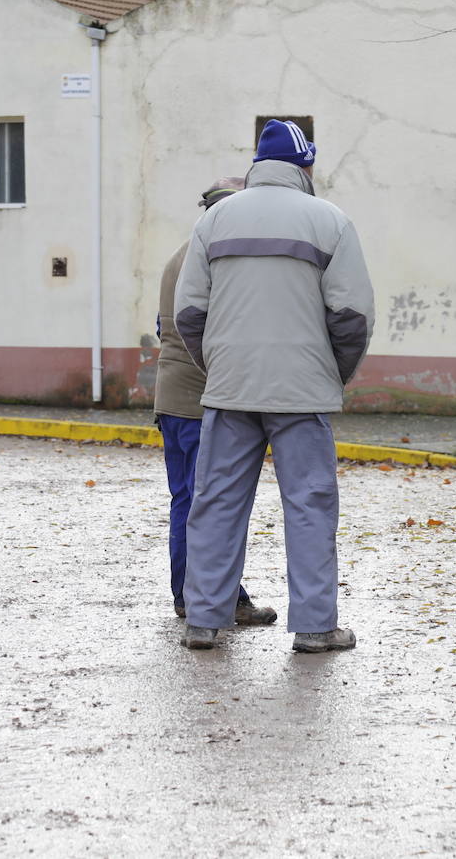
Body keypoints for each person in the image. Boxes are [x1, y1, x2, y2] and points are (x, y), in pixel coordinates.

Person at [175, 119, 374, 654]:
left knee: (215, 503)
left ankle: (204, 621)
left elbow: (188, 312)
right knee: (309, 505)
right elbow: (352, 316)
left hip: (230, 388)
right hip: (302, 391)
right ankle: (314, 627)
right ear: (304, 166)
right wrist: (333, 372)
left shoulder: (214, 220)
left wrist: (216, 366)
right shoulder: (329, 220)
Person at [155, 176, 276, 627]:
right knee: (211, 505)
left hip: (172, 398)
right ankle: (212, 597)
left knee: (187, 499)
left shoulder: (177, 257)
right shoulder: (215, 257)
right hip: (203, 400)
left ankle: (198, 593)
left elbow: (162, 326)